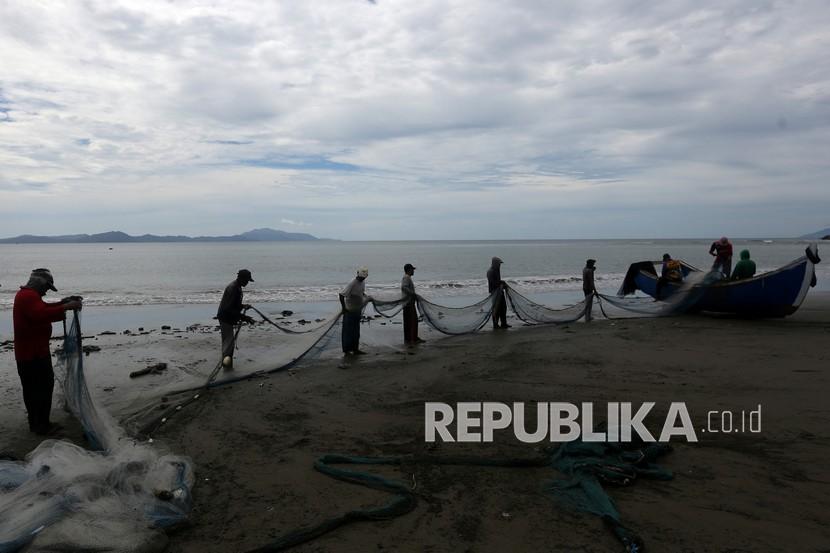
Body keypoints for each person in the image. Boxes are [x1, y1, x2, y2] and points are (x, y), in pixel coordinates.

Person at [13, 268, 82, 435]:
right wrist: (66, 307)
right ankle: (40, 425)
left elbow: (43, 308)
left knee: (36, 389)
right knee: (40, 389)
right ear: (40, 283)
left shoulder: (29, 295)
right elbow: (40, 314)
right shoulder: (28, 296)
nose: (46, 291)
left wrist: (63, 303)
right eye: (47, 287)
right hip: (32, 355)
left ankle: (40, 423)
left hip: (34, 352)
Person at [216, 269, 255, 369]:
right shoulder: (233, 288)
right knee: (228, 344)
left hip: (227, 316)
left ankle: (227, 365)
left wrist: (243, 306)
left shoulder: (237, 286)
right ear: (241, 278)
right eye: (247, 280)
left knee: (228, 343)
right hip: (225, 318)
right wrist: (245, 317)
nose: (247, 283)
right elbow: (228, 308)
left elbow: (234, 305)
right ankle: (227, 367)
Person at [340, 267, 372, 355]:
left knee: (356, 331)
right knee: (348, 331)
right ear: (357, 274)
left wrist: (367, 297)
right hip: (349, 310)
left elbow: (361, 293)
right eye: (361, 277)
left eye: (364, 277)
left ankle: (355, 349)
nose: (362, 278)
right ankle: (346, 350)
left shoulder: (362, 282)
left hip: (357, 310)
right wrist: (344, 308)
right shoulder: (352, 283)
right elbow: (341, 295)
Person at [401, 263, 424, 345]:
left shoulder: (407, 277)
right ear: (409, 270)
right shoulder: (406, 278)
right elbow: (404, 287)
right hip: (408, 304)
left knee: (409, 322)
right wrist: (413, 294)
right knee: (412, 321)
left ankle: (410, 339)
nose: (413, 271)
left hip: (408, 303)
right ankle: (412, 339)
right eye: (412, 269)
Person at [487, 257, 510, 329]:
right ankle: (495, 325)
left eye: (500, 264)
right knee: (496, 309)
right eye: (499, 263)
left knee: (503, 308)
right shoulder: (490, 271)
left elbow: (498, 281)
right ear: (494, 263)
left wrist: (502, 283)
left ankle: (504, 324)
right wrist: (501, 283)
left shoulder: (496, 270)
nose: (500, 265)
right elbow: (493, 283)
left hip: (500, 292)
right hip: (494, 293)